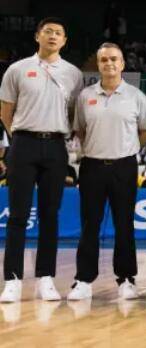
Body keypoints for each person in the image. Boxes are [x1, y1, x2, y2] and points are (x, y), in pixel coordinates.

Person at [0, 17, 83, 303]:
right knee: (18, 215)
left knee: (50, 215)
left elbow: (73, 113)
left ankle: (46, 278)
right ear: (37, 36)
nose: (53, 36)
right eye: (48, 31)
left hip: (56, 146)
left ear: (64, 40)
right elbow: (6, 112)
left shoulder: (74, 74)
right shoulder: (18, 69)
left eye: (58, 32)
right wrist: (21, 136)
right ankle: (12, 279)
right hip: (23, 144)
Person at [67, 43, 146, 301]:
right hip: (92, 166)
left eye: (114, 59)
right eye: (104, 60)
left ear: (122, 64)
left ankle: (126, 279)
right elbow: (80, 130)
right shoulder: (85, 96)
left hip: (124, 166)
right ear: (98, 64)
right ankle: (83, 280)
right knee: (89, 225)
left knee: (124, 224)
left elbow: (145, 130)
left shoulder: (136, 96)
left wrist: (127, 149)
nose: (109, 64)